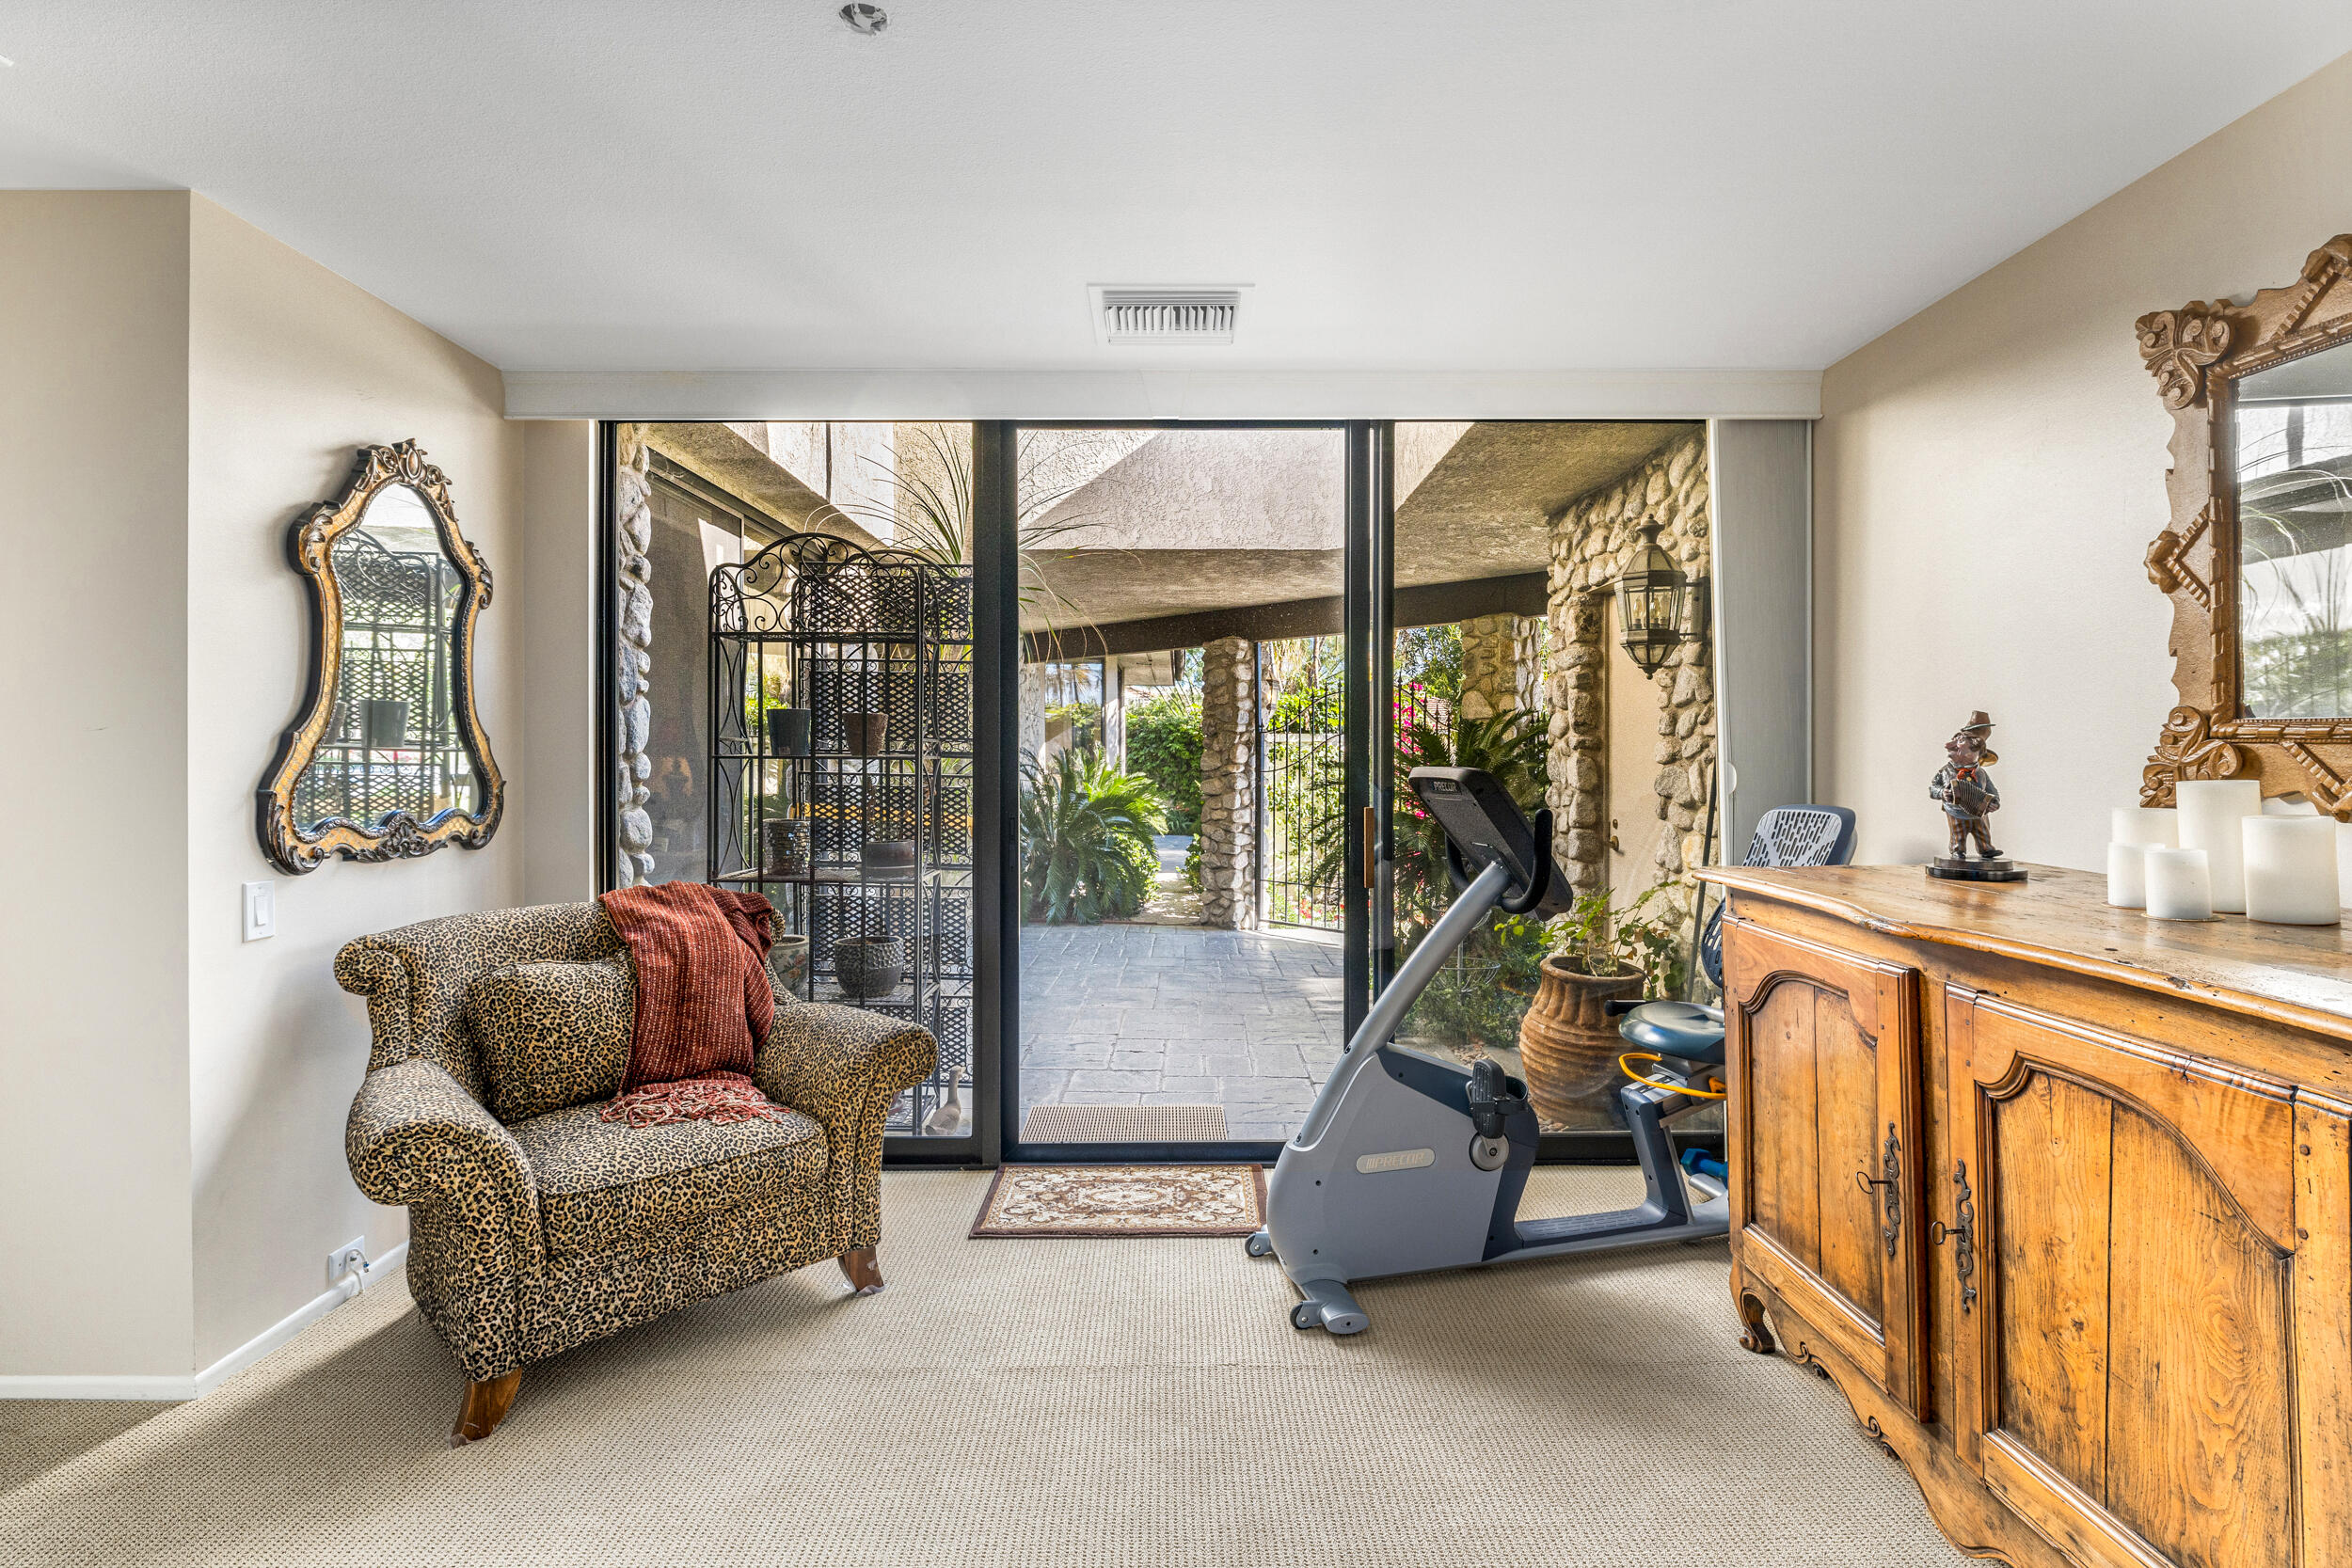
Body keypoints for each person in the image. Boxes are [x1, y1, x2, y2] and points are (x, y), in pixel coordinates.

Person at [1930, 711, 2004, 861]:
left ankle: (1986, 848)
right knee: (1958, 833)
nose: (1948, 746)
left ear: (1975, 751)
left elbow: (1992, 791)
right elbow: (1933, 788)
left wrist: (1994, 802)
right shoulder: (1945, 771)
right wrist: (1941, 793)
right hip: (1955, 812)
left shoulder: (1981, 773)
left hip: (1979, 813)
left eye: (1960, 742)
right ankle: (1958, 850)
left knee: (1982, 831)